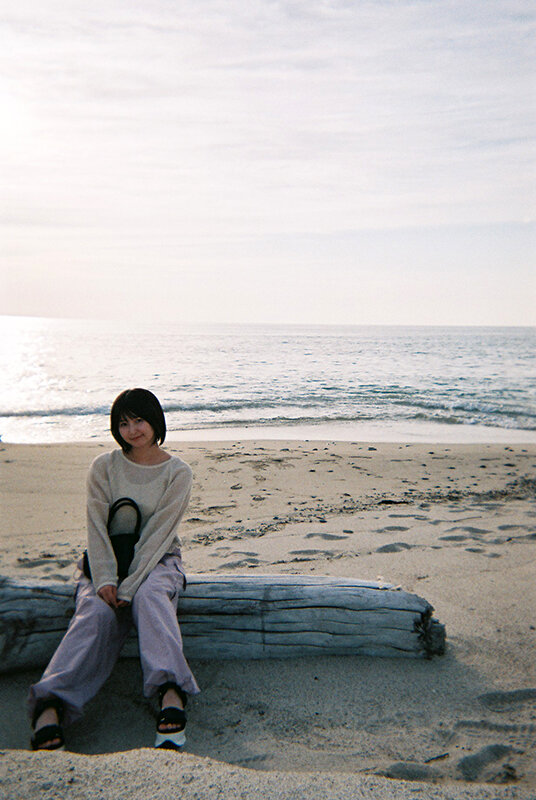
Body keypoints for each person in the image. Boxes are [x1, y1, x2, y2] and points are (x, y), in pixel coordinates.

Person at [28, 388, 200, 751]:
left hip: (159, 560)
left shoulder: (178, 472)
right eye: (123, 423)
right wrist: (106, 579)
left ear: (155, 421)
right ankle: (51, 703)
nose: (132, 430)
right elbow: (96, 527)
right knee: (95, 613)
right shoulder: (104, 466)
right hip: (105, 560)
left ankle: (170, 690)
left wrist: (130, 586)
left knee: (151, 597)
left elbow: (157, 536)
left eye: (139, 420)